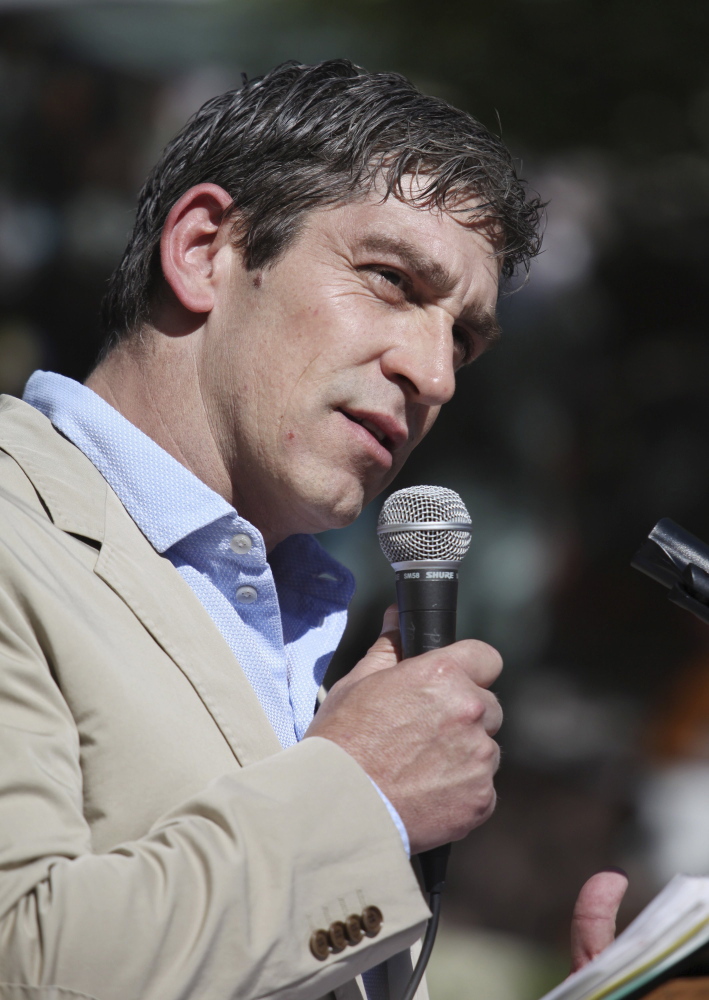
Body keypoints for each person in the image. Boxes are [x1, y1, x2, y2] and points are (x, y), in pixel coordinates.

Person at [0, 60, 626, 1000]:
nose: (436, 374)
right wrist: (362, 793)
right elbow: (25, 960)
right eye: (389, 280)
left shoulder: (301, 623)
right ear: (205, 249)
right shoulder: (22, 530)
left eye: (462, 336)